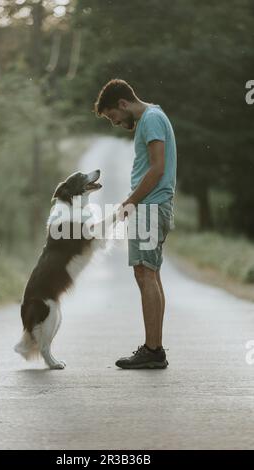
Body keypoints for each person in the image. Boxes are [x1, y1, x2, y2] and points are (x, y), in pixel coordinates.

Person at [94, 79, 177, 369]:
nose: (114, 122)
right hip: (152, 206)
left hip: (151, 207)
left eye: (112, 116)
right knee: (149, 273)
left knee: (145, 274)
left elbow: (157, 168)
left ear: (122, 104)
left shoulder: (151, 118)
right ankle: (154, 348)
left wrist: (130, 202)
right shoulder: (150, 118)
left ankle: (153, 350)